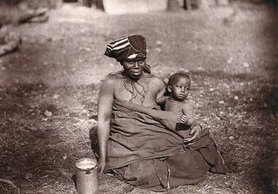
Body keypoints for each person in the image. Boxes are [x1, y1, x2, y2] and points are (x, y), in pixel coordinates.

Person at [97, 35, 232, 191]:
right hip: (129, 140)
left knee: (191, 162)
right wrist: (102, 157)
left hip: (155, 135)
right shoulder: (111, 83)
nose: (136, 66)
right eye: (130, 61)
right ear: (121, 61)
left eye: (140, 61)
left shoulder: (155, 83)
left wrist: (195, 124)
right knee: (143, 171)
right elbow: (104, 120)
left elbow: (172, 111)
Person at [163, 72, 195, 143]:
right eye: (179, 87)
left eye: (187, 89)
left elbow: (191, 120)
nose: (183, 91)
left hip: (179, 132)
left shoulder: (185, 105)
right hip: (168, 130)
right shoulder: (167, 100)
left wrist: (186, 121)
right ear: (170, 88)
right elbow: (156, 100)